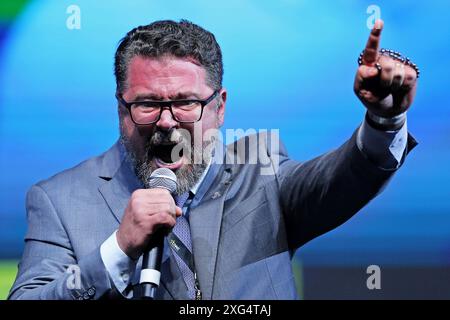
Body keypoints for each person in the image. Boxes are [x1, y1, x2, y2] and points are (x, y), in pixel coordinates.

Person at [9, 19, 418, 300]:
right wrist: (117, 249)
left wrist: (384, 118)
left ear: (219, 108)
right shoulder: (60, 199)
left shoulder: (263, 175)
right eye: (148, 104)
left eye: (186, 103)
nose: (167, 122)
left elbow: (346, 176)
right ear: (121, 108)